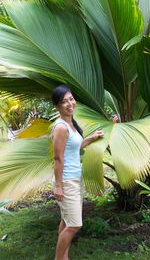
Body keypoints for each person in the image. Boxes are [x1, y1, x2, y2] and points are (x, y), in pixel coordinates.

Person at [51, 85, 103, 260]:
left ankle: (64, 256)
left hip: (75, 178)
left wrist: (92, 137)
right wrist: (58, 186)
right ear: (57, 106)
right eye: (64, 101)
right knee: (75, 225)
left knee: (66, 220)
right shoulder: (60, 127)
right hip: (66, 181)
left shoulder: (71, 123)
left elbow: (73, 148)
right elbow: (58, 158)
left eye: (71, 99)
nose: (69, 103)